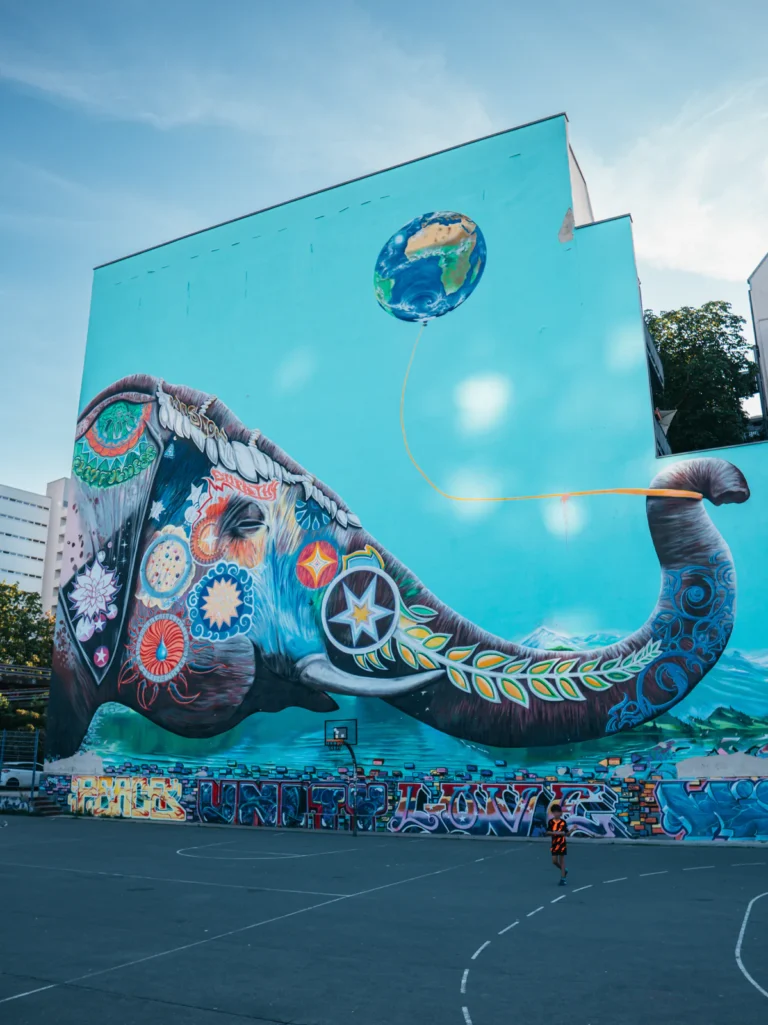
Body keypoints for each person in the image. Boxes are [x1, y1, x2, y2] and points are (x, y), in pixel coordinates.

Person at [546, 803, 568, 885]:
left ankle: (563, 879)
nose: (556, 814)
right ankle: (564, 870)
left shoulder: (563, 822)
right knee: (554, 861)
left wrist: (563, 833)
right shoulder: (551, 822)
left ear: (560, 813)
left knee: (562, 861)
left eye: (558, 812)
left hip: (562, 843)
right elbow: (547, 832)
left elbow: (565, 833)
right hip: (554, 843)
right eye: (554, 812)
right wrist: (554, 833)